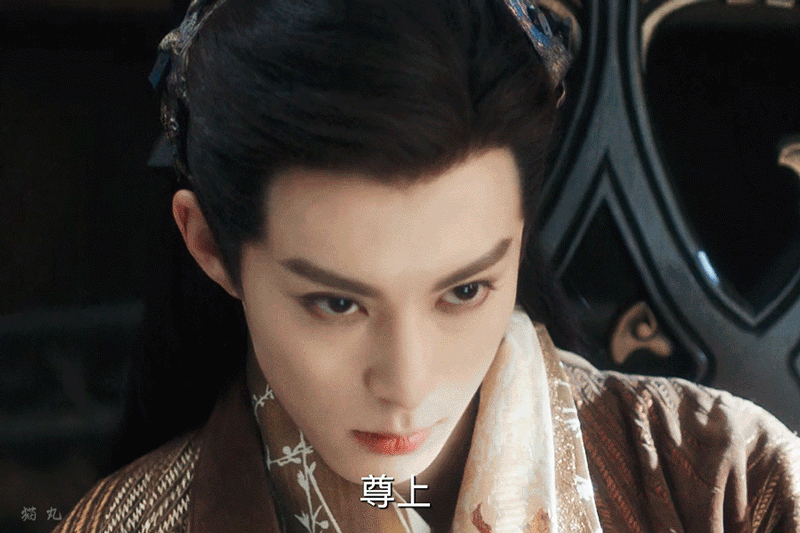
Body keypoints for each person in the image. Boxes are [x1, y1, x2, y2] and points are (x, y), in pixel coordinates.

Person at [54, 0, 800, 531]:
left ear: (518, 235)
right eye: (337, 304)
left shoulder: (730, 484)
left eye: (465, 290)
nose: (408, 385)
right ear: (210, 247)